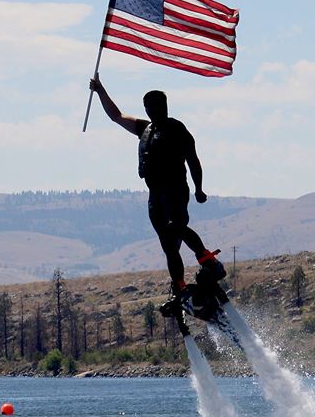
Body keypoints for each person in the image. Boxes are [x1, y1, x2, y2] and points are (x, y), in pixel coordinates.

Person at [89, 75, 225, 297]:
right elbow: (116, 116)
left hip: (175, 190)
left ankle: (207, 259)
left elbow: (193, 160)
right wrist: (100, 91)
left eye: (154, 106)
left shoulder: (177, 129)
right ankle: (180, 285)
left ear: (164, 106)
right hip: (155, 195)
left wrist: (199, 188)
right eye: (147, 107)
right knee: (168, 244)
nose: (151, 110)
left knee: (177, 228)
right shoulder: (145, 129)